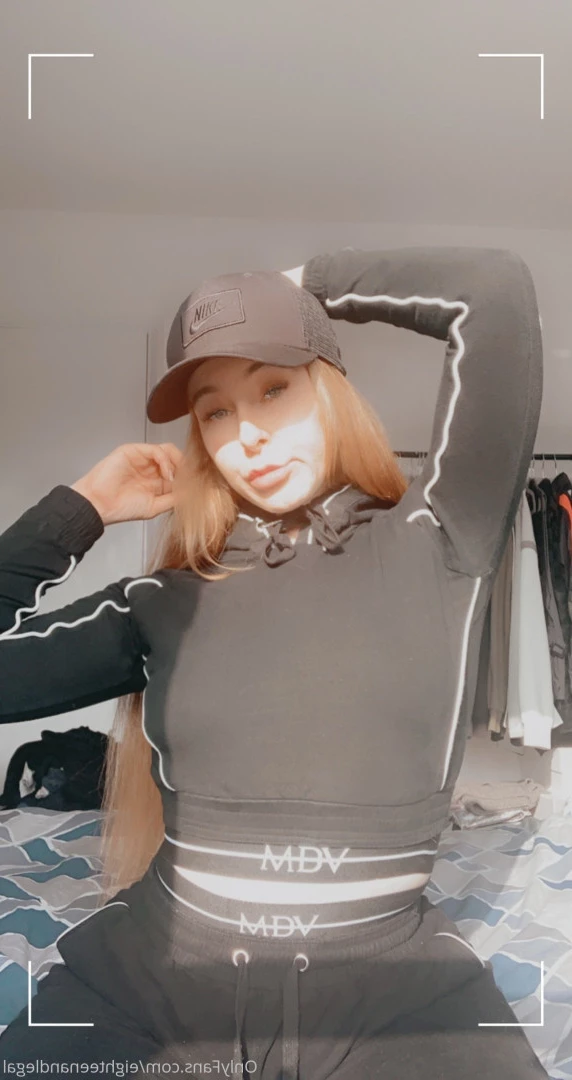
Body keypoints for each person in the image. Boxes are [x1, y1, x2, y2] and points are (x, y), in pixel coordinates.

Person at [0, 248, 549, 1079]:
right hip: (151, 978)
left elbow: (494, 292)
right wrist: (82, 510)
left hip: (390, 990)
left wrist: (302, 286)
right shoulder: (165, 599)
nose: (246, 434)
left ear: (329, 390)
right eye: (215, 413)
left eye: (273, 389)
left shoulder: (441, 537)